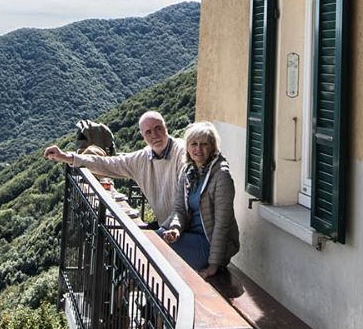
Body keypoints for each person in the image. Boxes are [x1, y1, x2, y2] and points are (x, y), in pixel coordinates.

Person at [44, 111, 186, 226]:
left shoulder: (182, 152)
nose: (154, 135)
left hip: (184, 228)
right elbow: (107, 164)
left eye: (158, 128)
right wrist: (65, 156)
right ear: (143, 136)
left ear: (166, 127)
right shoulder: (142, 158)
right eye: (148, 132)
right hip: (167, 228)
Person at [162, 121, 239, 279]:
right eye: (194, 144)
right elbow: (179, 209)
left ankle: (127, 289)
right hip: (188, 235)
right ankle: (129, 287)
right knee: (150, 240)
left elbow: (222, 224)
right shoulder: (188, 171)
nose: (198, 149)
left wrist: (213, 265)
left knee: (156, 248)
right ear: (187, 147)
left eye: (204, 144)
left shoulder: (221, 176)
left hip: (209, 245)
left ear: (212, 147)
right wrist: (175, 229)